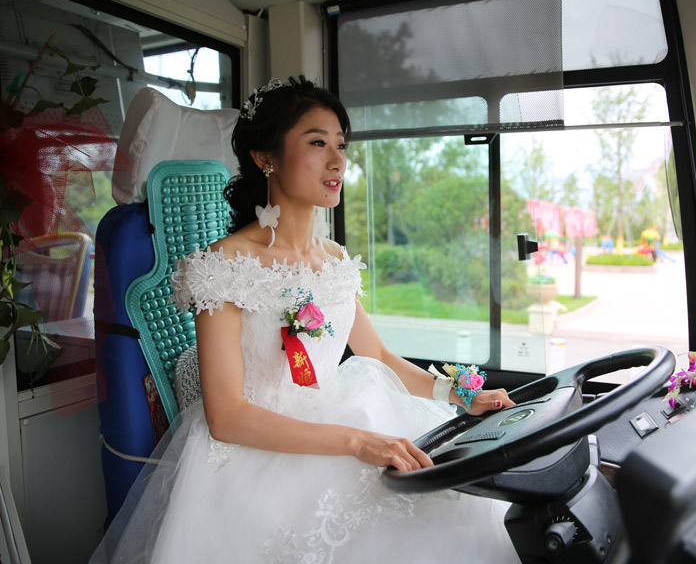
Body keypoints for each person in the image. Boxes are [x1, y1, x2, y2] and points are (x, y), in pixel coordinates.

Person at [92, 76, 518, 563]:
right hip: (255, 453)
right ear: (265, 156)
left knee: (449, 504)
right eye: (317, 143)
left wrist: (459, 395)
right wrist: (357, 442)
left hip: (340, 414)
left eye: (341, 144)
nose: (337, 160)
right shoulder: (221, 267)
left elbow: (376, 355)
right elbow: (227, 417)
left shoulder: (335, 258)